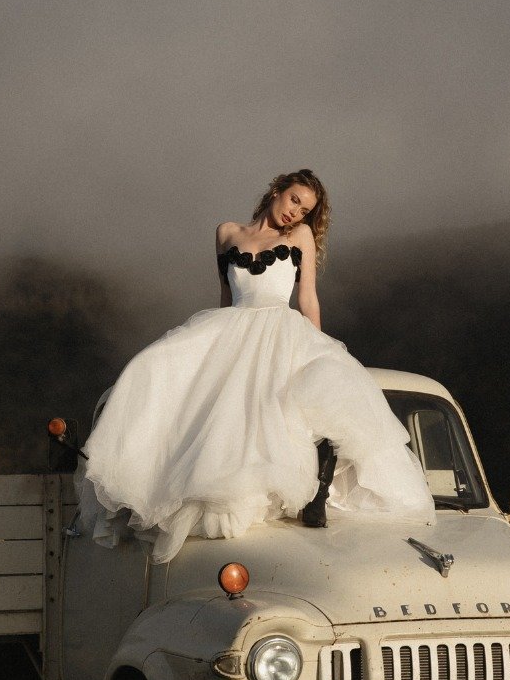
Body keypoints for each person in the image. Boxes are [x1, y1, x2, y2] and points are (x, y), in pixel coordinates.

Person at [77, 169, 433, 563]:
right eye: (295, 200)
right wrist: (213, 356)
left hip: (281, 330)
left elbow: (308, 296)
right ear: (277, 191)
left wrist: (319, 347)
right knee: (151, 368)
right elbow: (226, 296)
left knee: (287, 406)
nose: (296, 213)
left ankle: (309, 495)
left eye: (306, 210)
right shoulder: (226, 233)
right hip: (232, 327)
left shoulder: (298, 238)